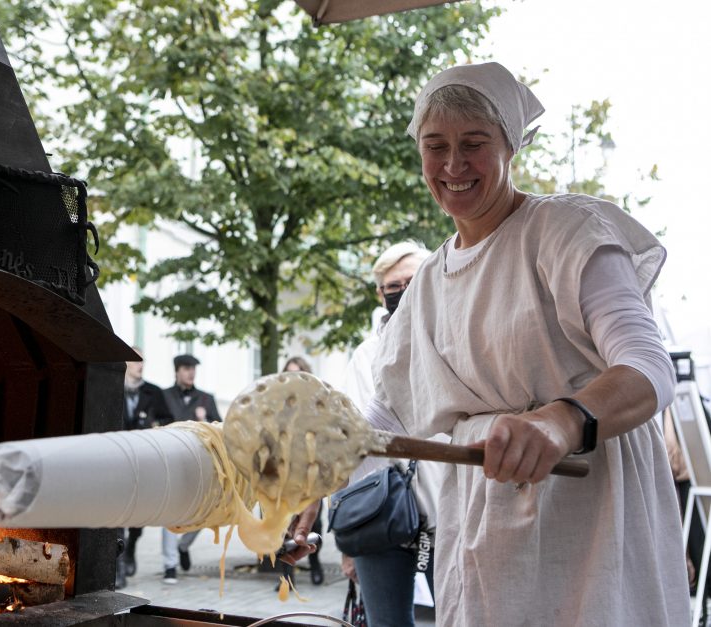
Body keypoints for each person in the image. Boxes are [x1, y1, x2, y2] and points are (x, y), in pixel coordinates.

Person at [287, 62, 689, 625]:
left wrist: (561, 421)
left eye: (473, 144)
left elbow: (648, 366)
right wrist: (320, 473)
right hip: (481, 512)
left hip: (590, 507)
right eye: (436, 146)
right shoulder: (428, 280)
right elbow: (388, 411)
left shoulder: (565, 230)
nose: (453, 165)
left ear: (510, 147)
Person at [341, 242, 438, 626]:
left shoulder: (454, 340)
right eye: (392, 285)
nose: (402, 290)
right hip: (378, 510)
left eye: (411, 280)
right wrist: (348, 533)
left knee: (460, 615)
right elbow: (350, 440)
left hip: (445, 510)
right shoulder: (364, 356)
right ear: (380, 294)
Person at [160, 353, 221, 583]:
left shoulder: (206, 399)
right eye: (186, 368)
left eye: (193, 368)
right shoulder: (163, 396)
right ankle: (170, 565)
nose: (191, 372)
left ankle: (183, 546)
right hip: (171, 464)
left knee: (205, 512)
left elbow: (220, 430)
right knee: (169, 514)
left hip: (200, 467)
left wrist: (205, 422)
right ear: (177, 371)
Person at [116, 348, 172, 589]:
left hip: (143, 461)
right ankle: (118, 565)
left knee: (138, 513)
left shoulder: (153, 392)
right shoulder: (111, 388)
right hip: (116, 461)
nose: (140, 365)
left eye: (142, 361)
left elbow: (169, 421)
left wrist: (156, 428)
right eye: (134, 360)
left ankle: (131, 547)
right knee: (117, 512)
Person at [278, 356, 325, 587]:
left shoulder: (315, 406)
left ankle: (315, 564)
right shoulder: (277, 406)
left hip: (310, 476)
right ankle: (286, 575)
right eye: (287, 374)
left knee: (312, 524)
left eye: (296, 373)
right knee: (283, 526)